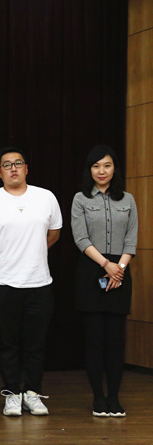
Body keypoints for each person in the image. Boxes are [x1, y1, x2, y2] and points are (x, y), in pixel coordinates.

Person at [0, 147, 62, 417]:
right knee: (6, 343)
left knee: (36, 343)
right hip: (1, 283)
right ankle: (12, 393)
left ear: (26, 169)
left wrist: (33, 254)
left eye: (18, 163)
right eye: (7, 165)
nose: (13, 168)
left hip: (38, 282)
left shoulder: (45, 197)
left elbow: (54, 233)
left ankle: (33, 393)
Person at [71, 145, 137, 418]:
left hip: (120, 271)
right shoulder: (80, 199)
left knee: (115, 340)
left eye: (107, 165)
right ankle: (98, 398)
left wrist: (118, 269)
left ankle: (114, 398)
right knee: (95, 339)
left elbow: (131, 240)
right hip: (92, 270)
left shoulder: (128, 199)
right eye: (96, 166)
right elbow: (80, 238)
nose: (101, 171)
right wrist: (106, 265)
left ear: (114, 169)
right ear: (89, 170)